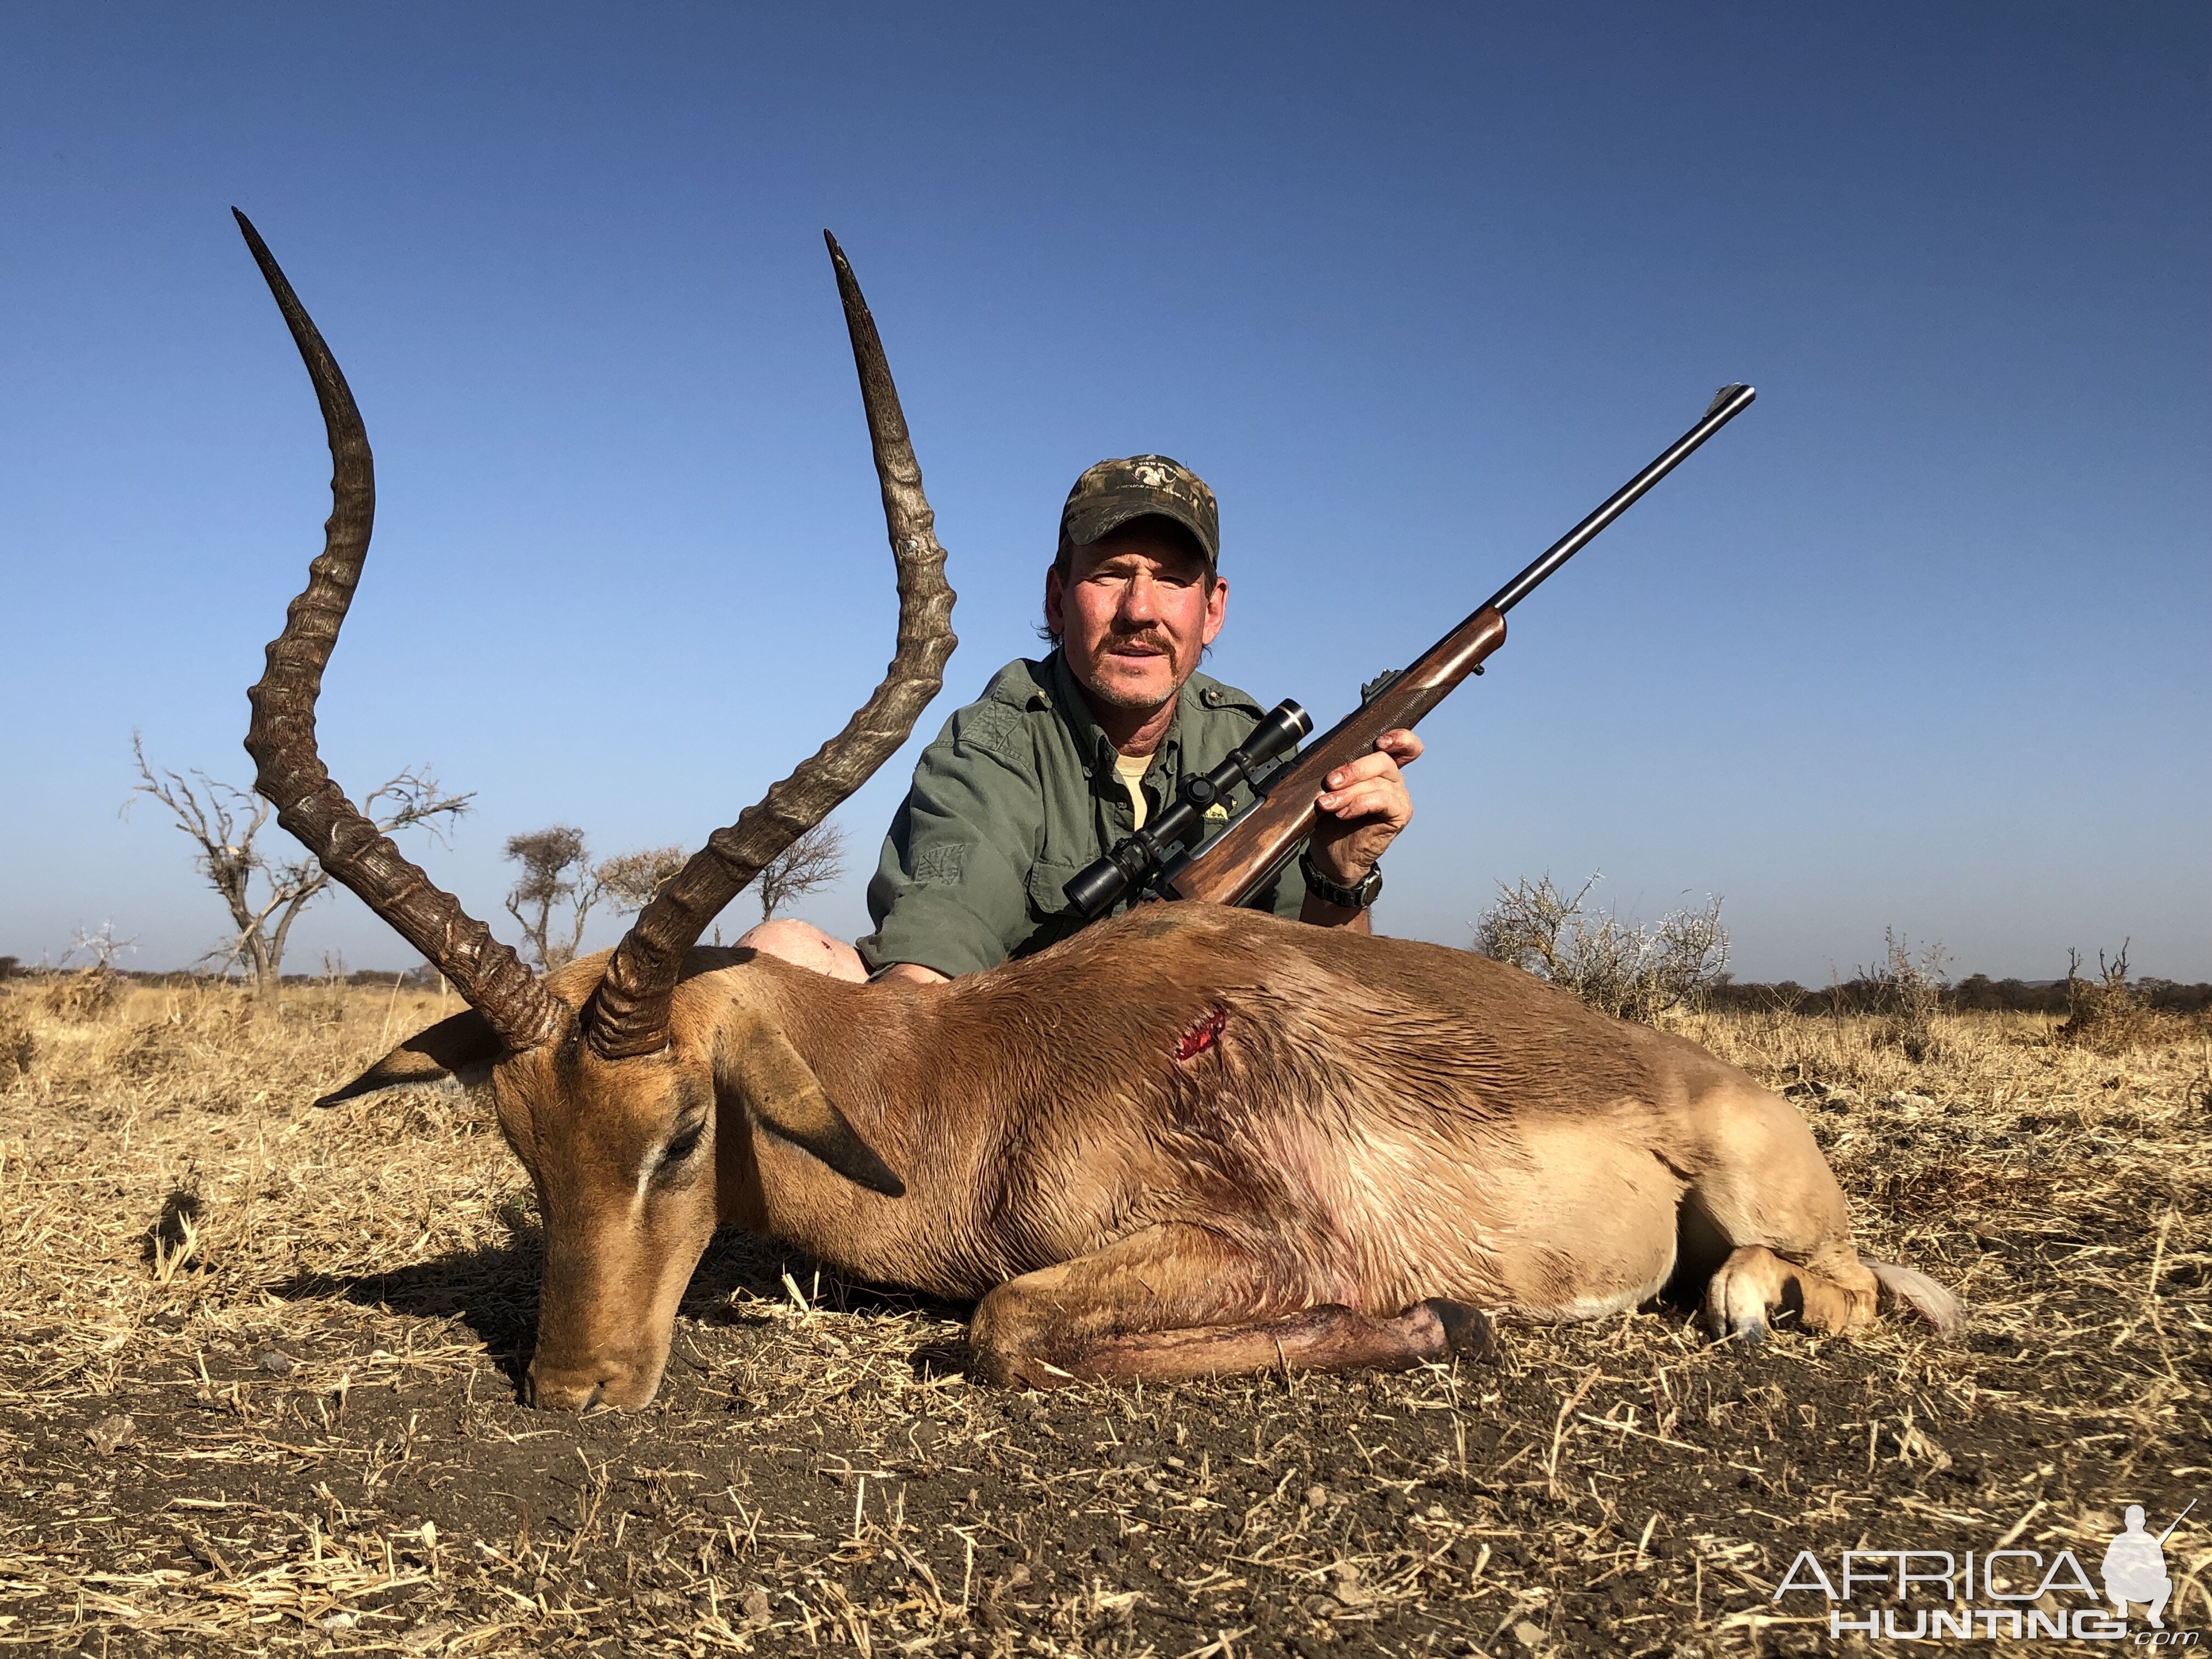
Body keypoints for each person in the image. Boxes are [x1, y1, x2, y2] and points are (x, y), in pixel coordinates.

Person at [743, 455, 1421, 986]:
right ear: (1057, 598)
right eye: (1110, 573)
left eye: (1173, 580)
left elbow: (1329, 991)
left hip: (1205, 1068)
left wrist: (1341, 875)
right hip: (1022, 1061)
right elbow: (932, 965)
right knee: (779, 954)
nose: (1139, 609)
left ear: (1212, 608)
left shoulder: (1256, 747)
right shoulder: (996, 740)